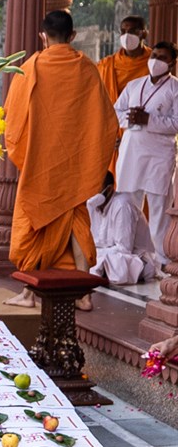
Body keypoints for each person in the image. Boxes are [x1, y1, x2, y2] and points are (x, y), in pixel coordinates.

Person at [3, 11, 119, 309]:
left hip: (40, 165)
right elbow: (106, 120)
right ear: (73, 36)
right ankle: (83, 294)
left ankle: (29, 294)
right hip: (76, 166)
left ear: (43, 35)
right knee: (76, 222)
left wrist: (24, 154)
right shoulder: (88, 68)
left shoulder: (30, 68)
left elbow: (13, 122)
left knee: (35, 225)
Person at [113, 41, 178, 259]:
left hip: (159, 155)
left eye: (162, 58)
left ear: (172, 63)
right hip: (131, 151)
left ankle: (161, 259)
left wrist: (149, 119)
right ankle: (127, 255)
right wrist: (130, 119)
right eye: (155, 56)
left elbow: (176, 123)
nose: (156, 61)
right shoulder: (134, 85)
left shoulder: (175, 88)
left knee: (159, 206)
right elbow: (116, 110)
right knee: (127, 204)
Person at [88, 172, 161, 285]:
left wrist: (95, 252)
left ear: (109, 189)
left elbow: (124, 248)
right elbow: (95, 240)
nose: (91, 194)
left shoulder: (122, 204)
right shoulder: (94, 206)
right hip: (109, 252)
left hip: (136, 258)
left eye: (95, 189)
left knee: (115, 263)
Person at [99, 16, 150, 173]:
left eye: (133, 31)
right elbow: (99, 104)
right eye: (123, 31)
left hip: (145, 134)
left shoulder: (154, 63)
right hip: (114, 135)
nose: (127, 36)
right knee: (114, 186)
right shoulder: (107, 65)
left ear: (144, 34)